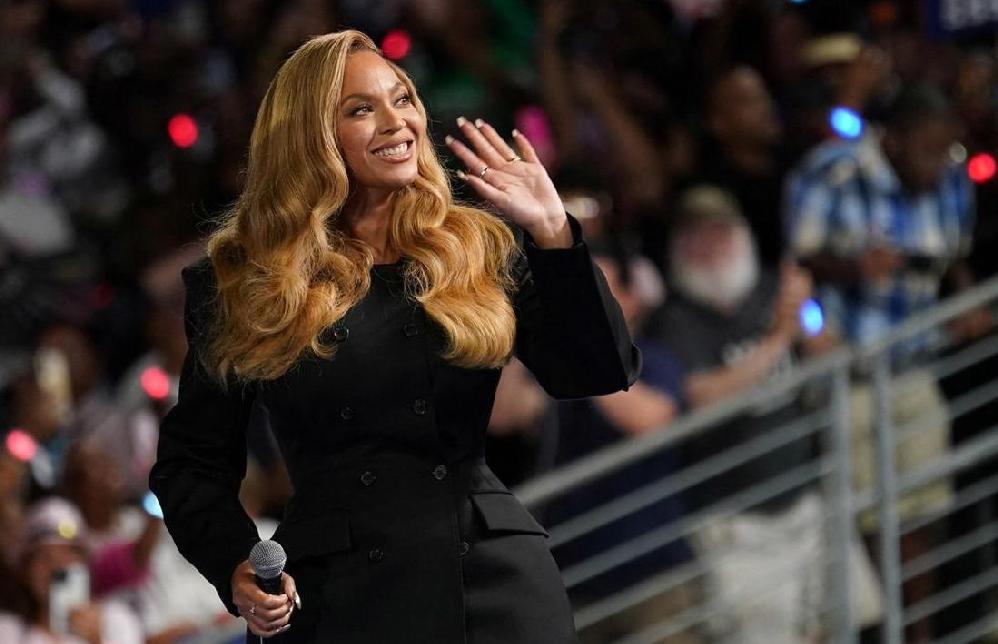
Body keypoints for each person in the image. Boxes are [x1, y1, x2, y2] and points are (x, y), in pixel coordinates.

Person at [149, 29, 640, 643]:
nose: (397, 122)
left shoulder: (477, 247)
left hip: (492, 587)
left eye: (403, 98)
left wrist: (554, 235)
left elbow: (597, 371)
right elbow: (191, 466)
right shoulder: (246, 283)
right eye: (361, 109)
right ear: (311, 138)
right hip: (336, 600)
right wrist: (237, 563)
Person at [650, 186, 880, 643]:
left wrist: (807, 323)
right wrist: (778, 338)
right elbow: (703, 397)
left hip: (809, 498)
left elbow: (829, 351)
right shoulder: (673, 320)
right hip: (737, 525)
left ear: (743, 237)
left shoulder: (774, 290)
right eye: (696, 236)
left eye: (721, 232)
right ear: (678, 248)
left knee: (849, 625)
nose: (711, 246)